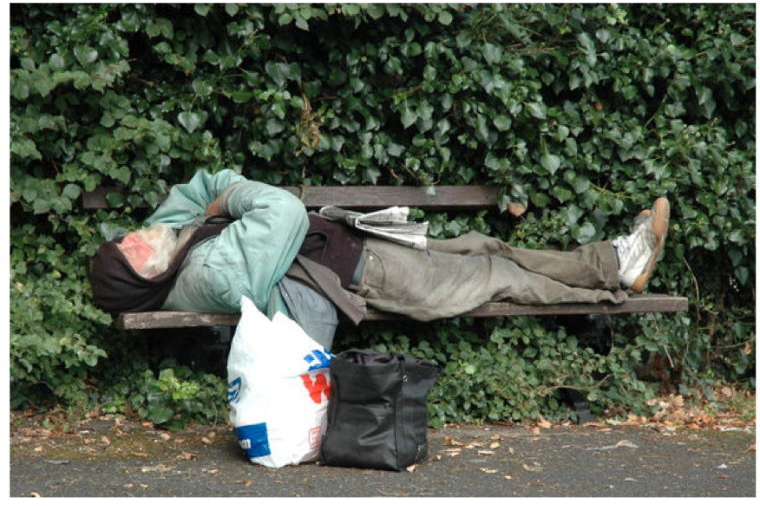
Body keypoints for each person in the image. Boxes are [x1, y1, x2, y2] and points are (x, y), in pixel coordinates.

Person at [90, 169, 669, 349]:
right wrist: (229, 201)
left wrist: (210, 202)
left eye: (127, 239)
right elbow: (283, 214)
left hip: (358, 241)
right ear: (150, 282)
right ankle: (615, 283)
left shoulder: (171, 239)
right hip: (364, 273)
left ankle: (612, 259)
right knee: (496, 278)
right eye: (135, 255)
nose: (140, 239)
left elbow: (204, 183)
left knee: (488, 248)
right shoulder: (207, 274)